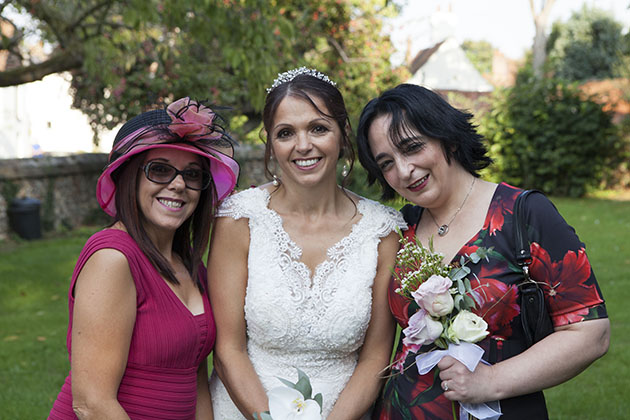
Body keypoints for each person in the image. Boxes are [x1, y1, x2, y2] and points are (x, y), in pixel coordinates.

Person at [355, 84, 610, 419]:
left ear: (448, 138)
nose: (403, 171)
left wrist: (491, 380)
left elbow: (590, 332)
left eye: (413, 147)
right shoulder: (401, 228)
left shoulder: (523, 214)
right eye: (387, 163)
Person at [207, 67, 406, 419]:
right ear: (271, 143)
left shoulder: (383, 231)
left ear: (342, 134)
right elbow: (228, 350)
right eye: (286, 133)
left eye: (318, 128)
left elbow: (376, 358)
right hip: (244, 409)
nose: (303, 145)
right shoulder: (239, 219)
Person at [48, 97, 240, 419]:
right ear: (130, 176)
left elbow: (195, 378)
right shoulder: (113, 259)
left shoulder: (191, 266)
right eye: (160, 170)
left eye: (193, 175)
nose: (179, 185)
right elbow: (92, 403)